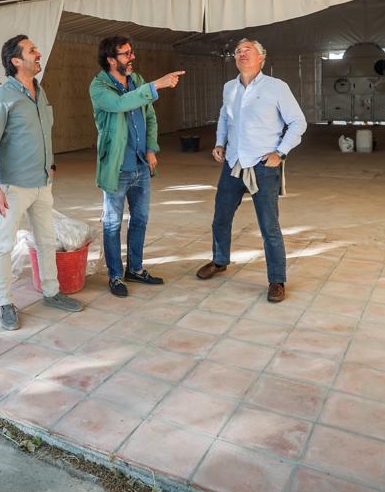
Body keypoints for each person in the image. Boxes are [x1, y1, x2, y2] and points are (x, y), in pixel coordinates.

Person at [0, 35, 82, 330]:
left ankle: (51, 292)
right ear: (16, 61)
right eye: (32, 50)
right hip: (12, 187)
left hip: (42, 182)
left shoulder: (40, 91)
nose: (39, 54)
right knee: (4, 245)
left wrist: (50, 167)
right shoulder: (1, 97)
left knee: (47, 240)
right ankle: (5, 303)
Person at [198, 39, 306, 302]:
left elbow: (297, 122)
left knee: (269, 225)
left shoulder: (276, 87)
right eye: (238, 51)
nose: (241, 54)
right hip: (234, 163)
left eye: (248, 51)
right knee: (220, 217)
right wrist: (220, 142)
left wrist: (279, 153)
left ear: (261, 58)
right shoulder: (229, 88)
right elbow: (225, 117)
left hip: (263, 166)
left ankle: (277, 280)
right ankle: (220, 260)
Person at [89, 36, 185, 297]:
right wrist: (158, 84)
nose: (132, 57)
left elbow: (149, 117)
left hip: (141, 165)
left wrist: (151, 148)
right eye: (126, 54)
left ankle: (136, 269)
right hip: (117, 167)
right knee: (112, 224)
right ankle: (116, 276)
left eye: (132, 52)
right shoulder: (99, 87)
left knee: (140, 220)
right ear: (111, 59)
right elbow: (121, 104)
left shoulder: (137, 80)